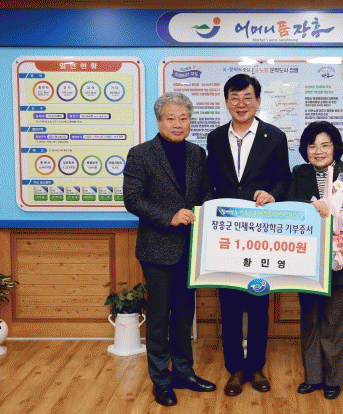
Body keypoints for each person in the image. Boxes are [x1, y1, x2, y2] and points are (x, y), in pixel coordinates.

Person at [123, 92, 216, 407]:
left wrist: (211, 210)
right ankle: (161, 380)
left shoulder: (197, 153)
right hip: (157, 250)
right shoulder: (141, 154)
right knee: (159, 318)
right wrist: (170, 216)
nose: (178, 124)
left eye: (184, 118)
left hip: (190, 249)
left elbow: (204, 192)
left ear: (190, 121)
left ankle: (184, 373)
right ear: (159, 120)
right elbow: (133, 199)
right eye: (171, 118)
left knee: (184, 316)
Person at [206, 74, 291, 396]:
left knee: (258, 303)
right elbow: (209, 182)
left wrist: (272, 194)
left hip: (260, 237)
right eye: (234, 98)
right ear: (226, 101)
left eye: (247, 97)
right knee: (228, 304)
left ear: (258, 101)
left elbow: (283, 179)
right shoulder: (215, 138)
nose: (241, 104)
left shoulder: (274, 136)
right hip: (226, 236)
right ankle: (234, 370)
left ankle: (255, 367)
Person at [287, 121, 343, 400]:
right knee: (310, 319)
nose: (318, 151)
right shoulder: (298, 174)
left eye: (325, 145)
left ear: (335, 147)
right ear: (305, 150)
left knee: (337, 322)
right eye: (312, 146)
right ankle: (313, 377)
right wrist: (309, 208)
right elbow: (290, 208)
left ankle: (334, 378)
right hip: (307, 261)